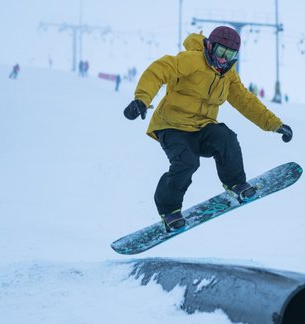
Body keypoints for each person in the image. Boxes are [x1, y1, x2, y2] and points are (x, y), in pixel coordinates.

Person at [123, 26, 293, 232]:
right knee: (187, 162)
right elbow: (160, 69)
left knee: (225, 137)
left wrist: (275, 124)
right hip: (172, 126)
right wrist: (141, 99)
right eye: (220, 52)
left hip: (201, 127)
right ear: (210, 46)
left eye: (229, 55)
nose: (223, 59)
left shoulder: (228, 75)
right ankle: (169, 211)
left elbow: (246, 102)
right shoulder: (192, 60)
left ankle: (236, 184)